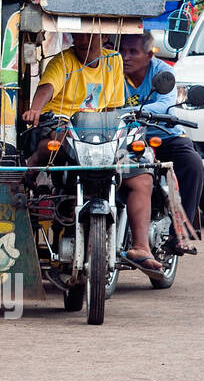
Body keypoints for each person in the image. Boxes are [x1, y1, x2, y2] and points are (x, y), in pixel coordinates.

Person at [21, 33, 158, 275]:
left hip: (102, 133)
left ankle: (141, 246)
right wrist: (35, 109)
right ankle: (20, 190)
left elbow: (115, 107)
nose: (82, 41)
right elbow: (47, 87)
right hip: (64, 128)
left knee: (142, 177)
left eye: (89, 36)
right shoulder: (63, 61)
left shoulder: (113, 60)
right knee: (44, 151)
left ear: (104, 36)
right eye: (78, 35)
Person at [119, 33, 204, 253]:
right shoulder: (111, 71)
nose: (125, 57)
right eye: (122, 51)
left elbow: (166, 104)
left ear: (149, 55)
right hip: (124, 139)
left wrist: (128, 112)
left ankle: (179, 236)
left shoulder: (163, 73)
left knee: (193, 164)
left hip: (164, 135)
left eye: (132, 52)